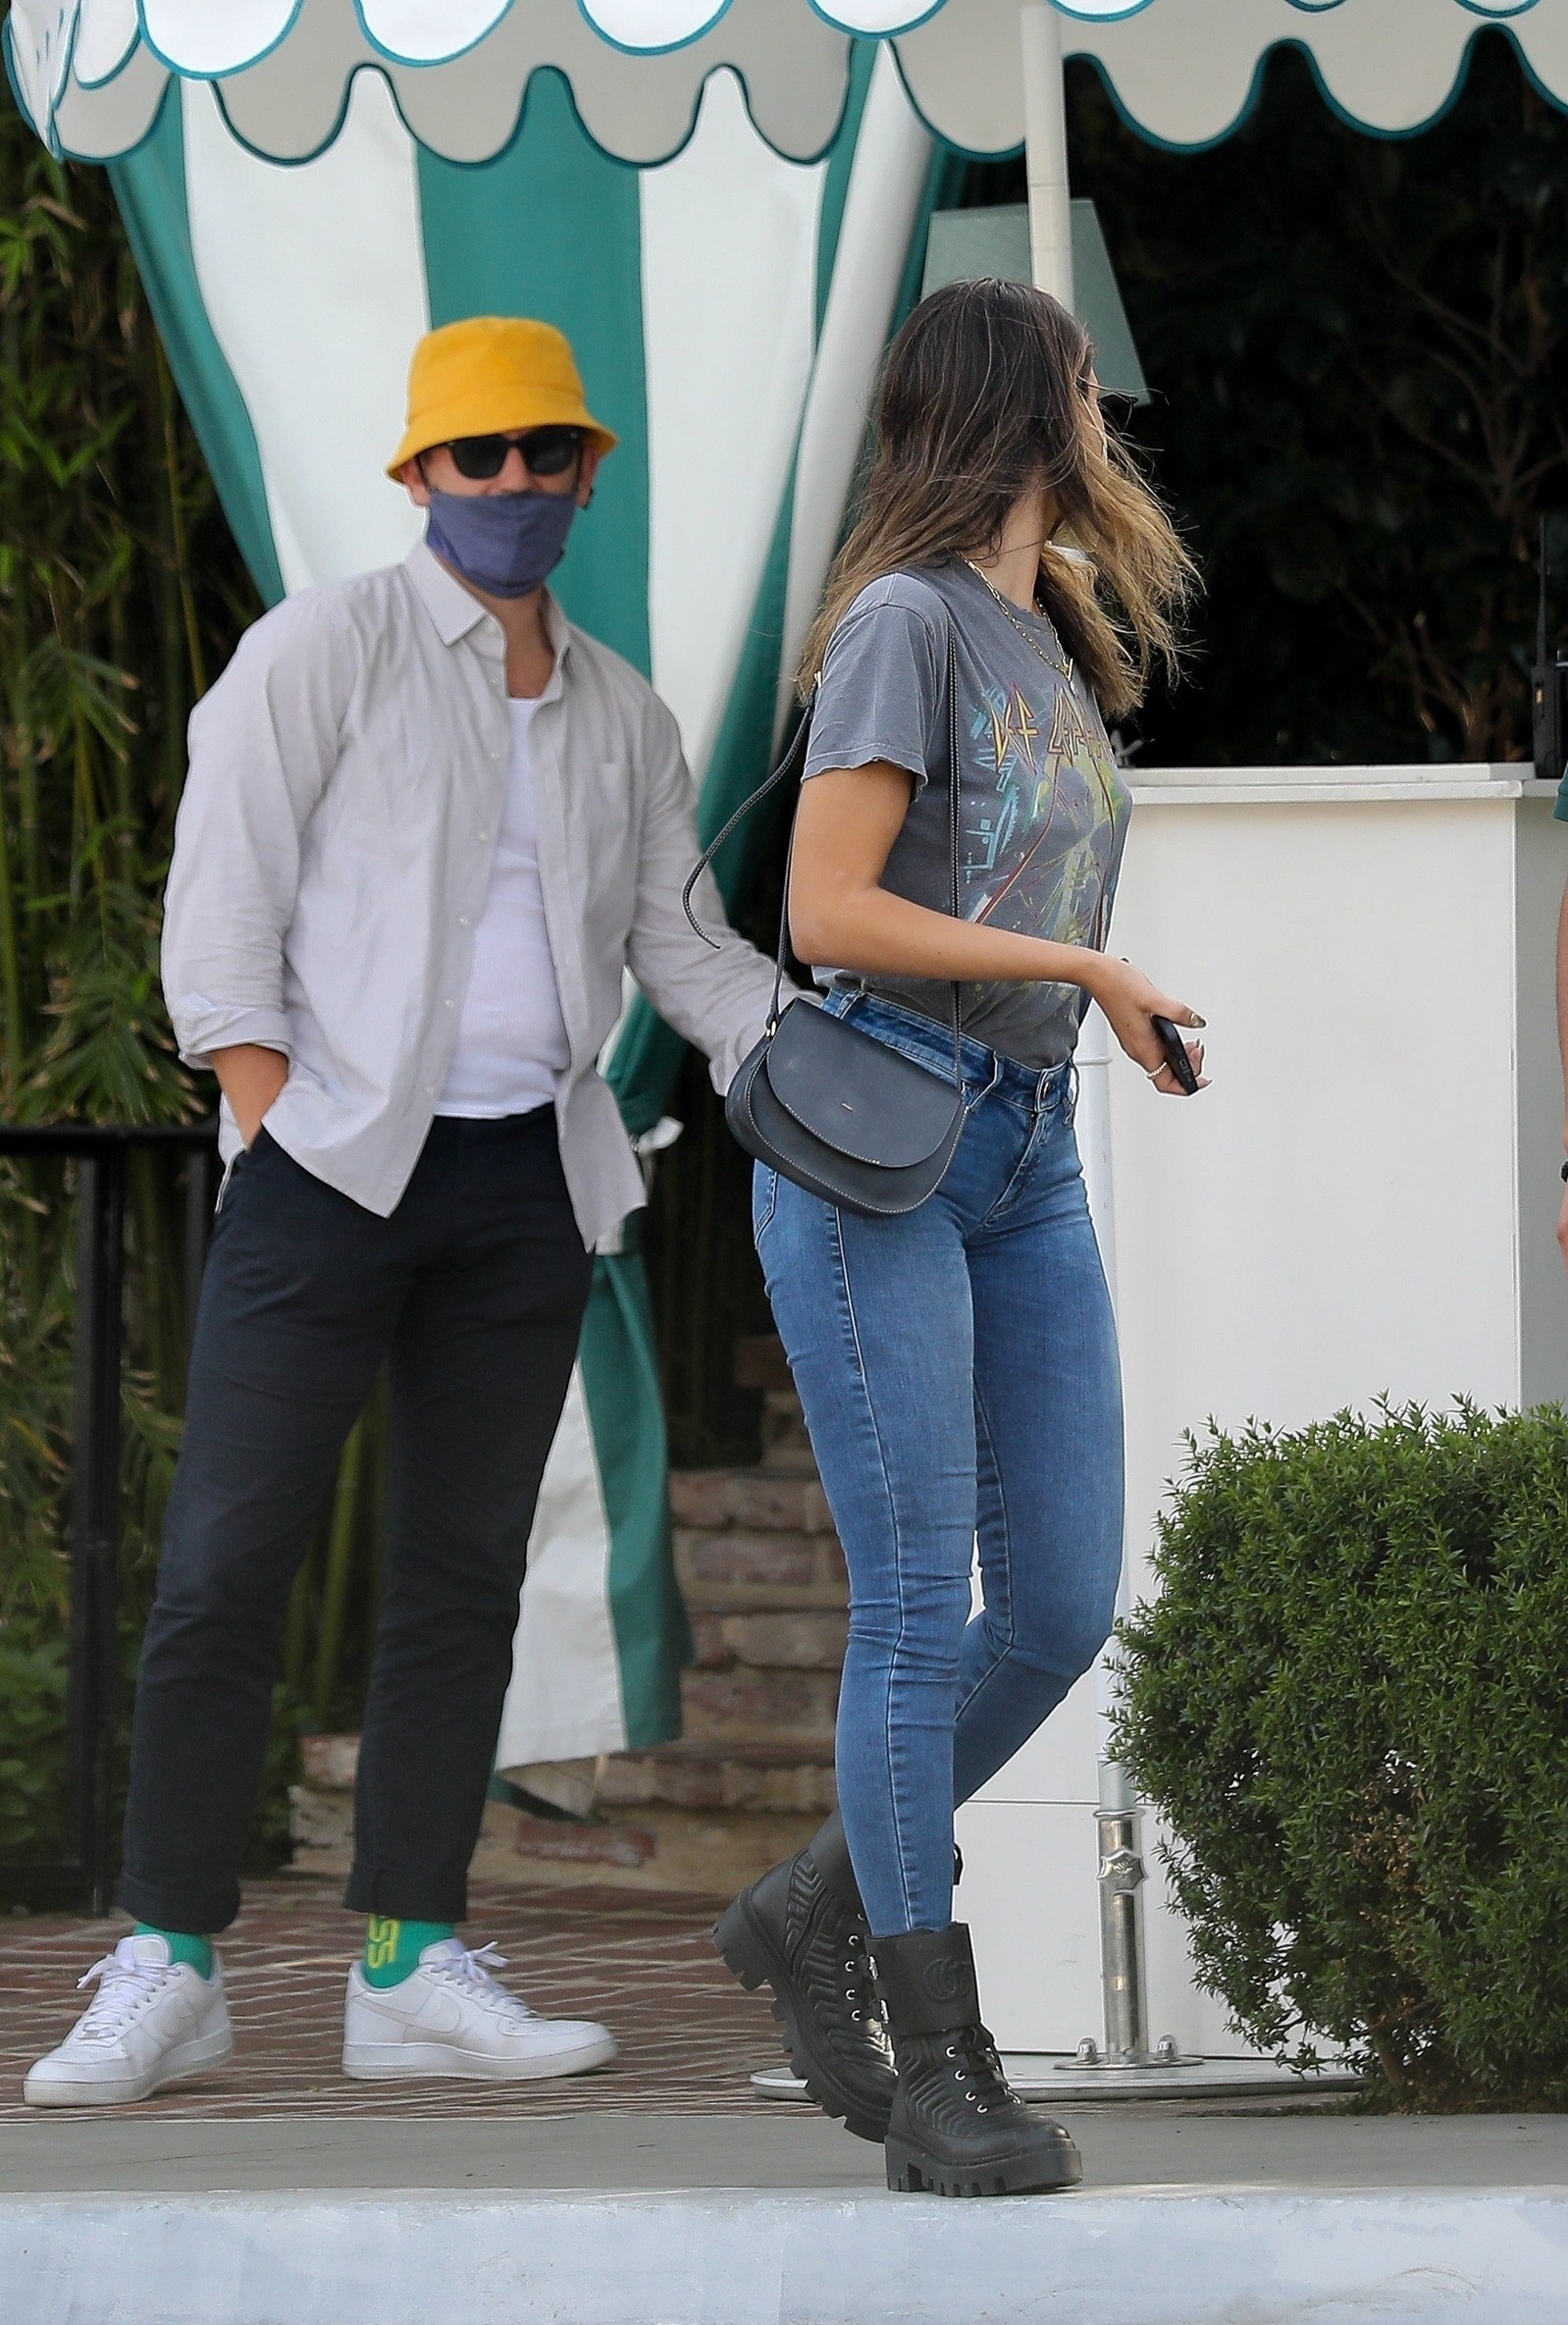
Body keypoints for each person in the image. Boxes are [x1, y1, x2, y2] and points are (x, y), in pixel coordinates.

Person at [26, 316, 786, 2108]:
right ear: (418, 475)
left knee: (460, 1576)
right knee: (226, 1566)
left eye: (543, 452)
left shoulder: (623, 712)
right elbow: (220, 913)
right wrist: (274, 1119)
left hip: (528, 1182)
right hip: (329, 1173)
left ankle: (406, 1963)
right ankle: (168, 1959)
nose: (511, 481)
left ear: (588, 473)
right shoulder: (318, 651)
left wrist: (825, 1057)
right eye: (477, 454)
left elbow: (684, 948)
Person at [711, 279, 1203, 2196]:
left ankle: (808, 1907)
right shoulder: (903, 625)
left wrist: (1087, 1005)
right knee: (919, 1601)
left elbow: (1002, 898)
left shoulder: (1047, 631)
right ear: (1017, 404)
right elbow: (827, 911)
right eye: (1083, 381)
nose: (1105, 409)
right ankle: (938, 2069)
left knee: (1059, 1602)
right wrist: (1085, 967)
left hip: (1021, 1149)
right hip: (876, 1149)